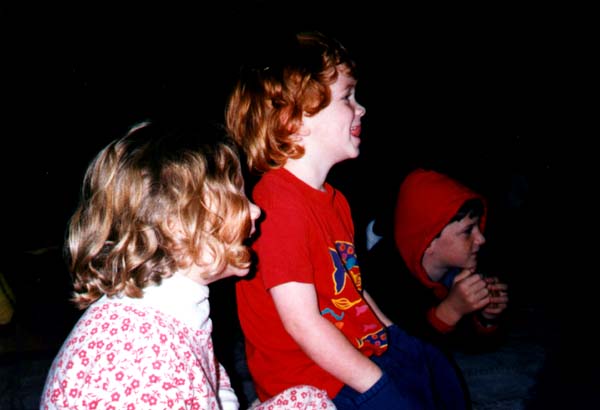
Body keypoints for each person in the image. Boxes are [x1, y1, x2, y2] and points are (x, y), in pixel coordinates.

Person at [226, 31, 468, 409]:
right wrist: (378, 384)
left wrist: (397, 337)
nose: (361, 109)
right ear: (294, 119)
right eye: (347, 98)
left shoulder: (335, 201)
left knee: (435, 374)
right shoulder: (277, 201)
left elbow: (351, 290)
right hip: (306, 379)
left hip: (349, 354)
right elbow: (303, 324)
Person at [40, 120, 335, 409]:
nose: (256, 210)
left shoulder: (170, 311)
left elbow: (216, 389)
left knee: (306, 401)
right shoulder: (146, 360)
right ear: (178, 224)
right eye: (236, 198)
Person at [363, 168, 509, 353]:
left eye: (478, 227)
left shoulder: (459, 267)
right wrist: (450, 311)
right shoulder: (384, 280)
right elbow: (405, 356)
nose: (481, 239)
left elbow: (468, 349)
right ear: (429, 239)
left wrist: (486, 317)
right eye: (468, 231)